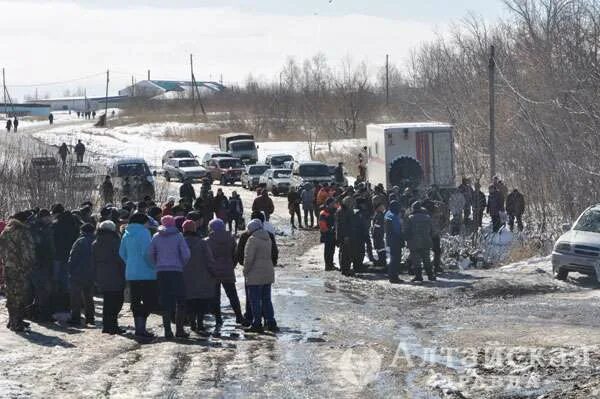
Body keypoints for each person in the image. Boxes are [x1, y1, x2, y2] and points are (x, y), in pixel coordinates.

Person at [148, 215, 191, 338]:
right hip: (176, 271)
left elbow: (149, 253)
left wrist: (156, 264)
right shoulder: (178, 236)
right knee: (180, 300)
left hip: (161, 272)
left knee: (166, 301)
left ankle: (167, 331)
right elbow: (186, 254)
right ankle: (179, 330)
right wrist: (181, 264)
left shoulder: (156, 237)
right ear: (173, 224)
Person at [119, 212, 157, 338]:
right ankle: (142, 327)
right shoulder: (144, 233)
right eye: (147, 222)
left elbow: (122, 253)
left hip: (131, 273)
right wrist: (153, 266)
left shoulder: (126, 233)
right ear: (142, 222)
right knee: (150, 300)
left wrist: (130, 263)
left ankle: (139, 328)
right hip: (146, 272)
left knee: (135, 301)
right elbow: (147, 253)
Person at [206, 218, 247, 326]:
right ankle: (239, 316)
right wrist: (231, 266)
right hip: (228, 270)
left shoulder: (207, 241)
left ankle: (218, 319)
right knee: (232, 294)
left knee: (215, 296)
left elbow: (206, 258)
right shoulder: (231, 239)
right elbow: (236, 254)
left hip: (213, 272)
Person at [0, 212, 35, 332]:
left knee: (10, 294)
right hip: (20, 268)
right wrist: (28, 265)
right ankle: (17, 323)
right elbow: (28, 252)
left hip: (8, 267)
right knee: (20, 295)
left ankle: (12, 320)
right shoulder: (23, 232)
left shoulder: (5, 231)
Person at [243, 219, 278, 333]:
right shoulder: (268, 238)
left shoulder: (252, 240)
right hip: (267, 272)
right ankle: (271, 322)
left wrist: (245, 271)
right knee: (266, 299)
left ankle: (257, 323)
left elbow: (249, 259)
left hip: (255, 274)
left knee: (255, 300)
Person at [182, 220, 217, 332]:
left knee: (189, 301)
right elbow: (209, 259)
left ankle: (192, 323)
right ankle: (200, 323)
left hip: (185, 276)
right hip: (201, 275)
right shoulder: (202, 242)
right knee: (200, 301)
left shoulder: (181, 242)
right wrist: (213, 272)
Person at [93, 221, 126, 334]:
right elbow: (120, 258)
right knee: (117, 301)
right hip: (115, 273)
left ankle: (107, 325)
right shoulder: (115, 241)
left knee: (107, 301)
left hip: (101, 273)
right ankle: (113, 325)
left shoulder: (96, 242)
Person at [51, 204, 81, 312]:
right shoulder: (74, 221)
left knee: (58, 280)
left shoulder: (56, 224)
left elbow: (53, 241)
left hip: (58, 255)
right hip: (71, 254)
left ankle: (60, 305)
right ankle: (70, 304)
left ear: (56, 213)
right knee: (69, 281)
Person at [67, 223, 96, 326]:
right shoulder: (96, 241)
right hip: (91, 273)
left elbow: (73, 257)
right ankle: (90, 318)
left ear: (82, 231)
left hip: (78, 273)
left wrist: (70, 270)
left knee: (76, 297)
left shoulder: (79, 241)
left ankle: (76, 318)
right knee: (89, 297)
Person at [29, 209, 55, 322]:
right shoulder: (38, 229)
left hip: (42, 262)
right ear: (43, 217)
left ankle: (37, 313)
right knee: (42, 289)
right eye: (47, 217)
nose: (49, 218)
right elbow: (41, 246)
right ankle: (41, 314)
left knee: (41, 290)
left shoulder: (38, 227)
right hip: (40, 263)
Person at [405, 202, 435, 282]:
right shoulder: (428, 218)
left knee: (416, 260)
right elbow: (433, 231)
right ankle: (431, 276)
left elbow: (407, 231)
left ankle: (418, 276)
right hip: (426, 241)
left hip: (414, 242)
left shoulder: (410, 218)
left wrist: (407, 240)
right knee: (427, 259)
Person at [336, 197, 360, 276]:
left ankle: (345, 268)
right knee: (345, 253)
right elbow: (343, 225)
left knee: (345, 252)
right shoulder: (343, 211)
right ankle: (345, 270)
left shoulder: (344, 210)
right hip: (345, 235)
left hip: (347, 235)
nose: (353, 205)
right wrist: (346, 236)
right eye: (352, 203)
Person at [384, 201, 404, 283]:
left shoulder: (388, 214)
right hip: (395, 239)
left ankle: (393, 275)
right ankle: (393, 277)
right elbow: (397, 230)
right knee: (395, 258)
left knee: (394, 257)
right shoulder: (393, 216)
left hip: (390, 239)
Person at [319, 198, 337, 271]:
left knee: (332, 250)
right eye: (332, 203)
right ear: (328, 204)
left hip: (332, 234)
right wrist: (329, 230)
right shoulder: (323, 213)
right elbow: (322, 225)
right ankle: (328, 265)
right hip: (327, 234)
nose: (333, 204)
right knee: (328, 250)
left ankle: (331, 264)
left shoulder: (334, 211)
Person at [371, 203, 386, 267]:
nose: (383, 208)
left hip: (378, 234)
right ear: (378, 208)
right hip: (378, 234)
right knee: (380, 247)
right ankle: (382, 261)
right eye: (382, 206)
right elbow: (377, 225)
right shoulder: (379, 215)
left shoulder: (378, 214)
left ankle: (381, 261)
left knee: (380, 247)